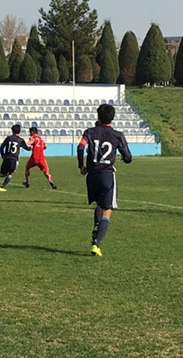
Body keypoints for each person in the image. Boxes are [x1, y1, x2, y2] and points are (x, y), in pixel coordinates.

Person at [77, 104, 132, 257]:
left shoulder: (89, 132)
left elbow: (81, 148)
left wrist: (81, 165)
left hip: (92, 176)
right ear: (112, 118)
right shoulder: (118, 135)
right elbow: (128, 157)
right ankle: (97, 244)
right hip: (107, 175)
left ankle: (96, 225)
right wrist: (125, 159)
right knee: (107, 210)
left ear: (98, 116)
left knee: (99, 204)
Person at [0, 124, 30, 192]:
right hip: (14, 159)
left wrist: (3, 155)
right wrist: (32, 147)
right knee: (10, 173)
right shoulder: (20, 140)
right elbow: (27, 148)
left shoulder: (9, 138)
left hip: (6, 158)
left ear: (12, 131)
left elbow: (1, 147)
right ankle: (2, 186)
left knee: (3, 174)